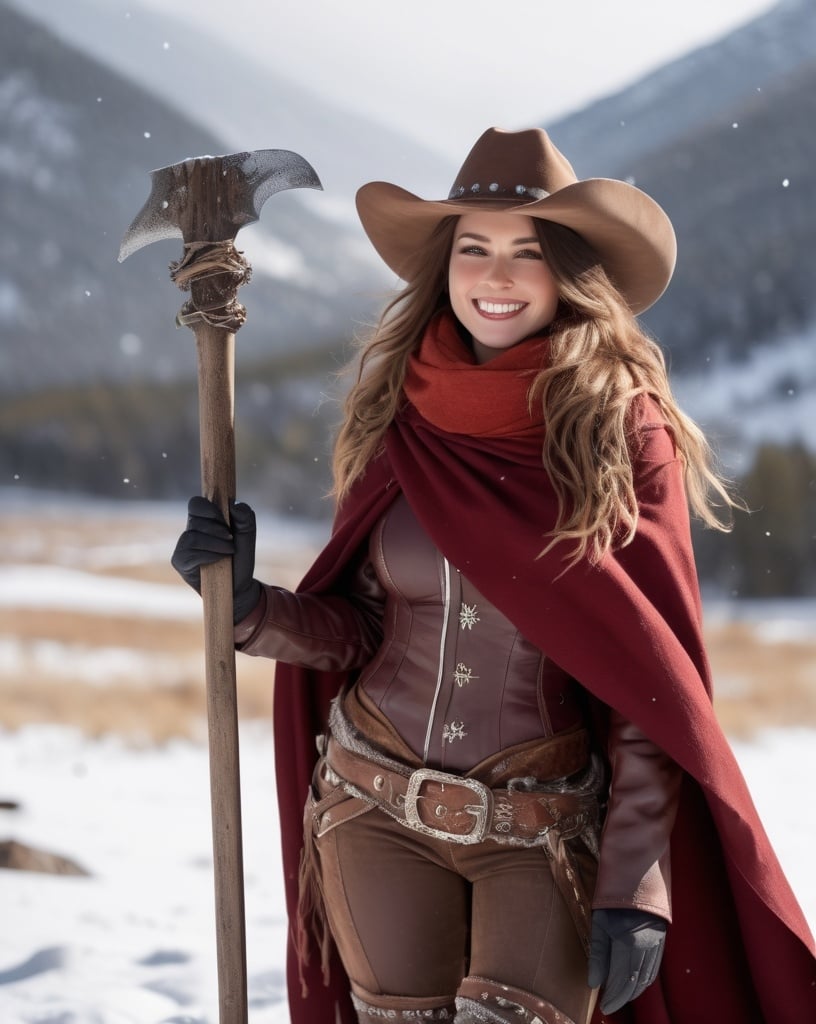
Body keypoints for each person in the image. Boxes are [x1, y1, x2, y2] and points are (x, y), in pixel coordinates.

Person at [172, 128, 816, 1024]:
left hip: (540, 828)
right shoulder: (401, 417)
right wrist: (249, 609)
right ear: (445, 267)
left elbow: (649, 684)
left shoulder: (624, 436)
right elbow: (364, 628)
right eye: (473, 248)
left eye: (528, 252)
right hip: (371, 807)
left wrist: (637, 878)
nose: (496, 276)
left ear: (570, 273)